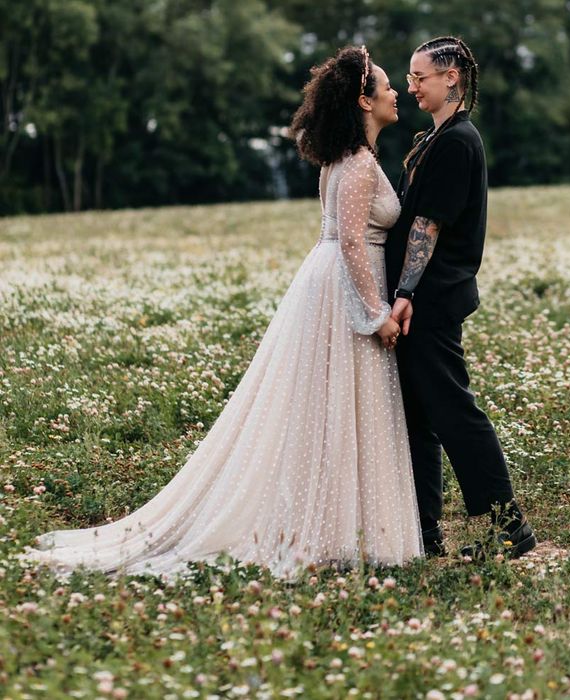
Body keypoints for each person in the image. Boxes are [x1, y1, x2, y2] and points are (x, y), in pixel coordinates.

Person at [18, 47, 423, 580]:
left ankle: (335, 524)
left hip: (327, 281)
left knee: (330, 407)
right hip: (347, 286)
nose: (397, 94)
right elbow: (350, 241)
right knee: (338, 404)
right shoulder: (360, 165)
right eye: (389, 86)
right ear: (364, 101)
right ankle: (332, 529)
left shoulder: (341, 161)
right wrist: (376, 315)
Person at [385, 36, 536, 559]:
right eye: (408, 77)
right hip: (421, 299)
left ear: (451, 77)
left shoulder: (456, 142)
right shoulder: (435, 137)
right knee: (420, 417)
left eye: (419, 76)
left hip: (432, 299)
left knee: (454, 412)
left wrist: (404, 291)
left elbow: (428, 226)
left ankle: (507, 526)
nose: (411, 86)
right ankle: (424, 530)